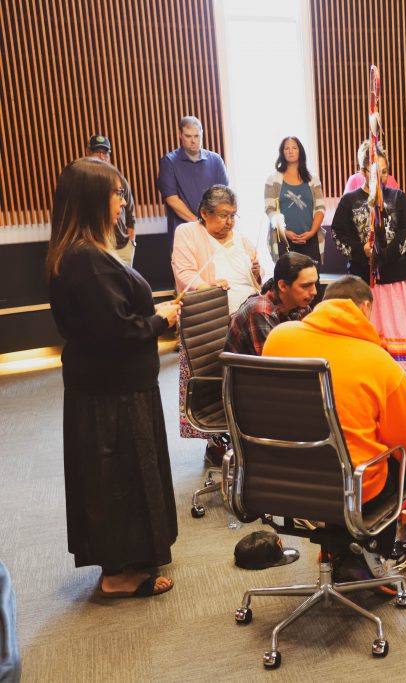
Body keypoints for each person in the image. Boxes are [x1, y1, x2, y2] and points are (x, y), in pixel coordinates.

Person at [47, 158, 180, 598]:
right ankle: (119, 575)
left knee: (122, 475)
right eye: (116, 192)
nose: (123, 200)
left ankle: (131, 560)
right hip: (111, 391)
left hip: (112, 385)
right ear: (91, 199)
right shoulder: (85, 259)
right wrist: (160, 319)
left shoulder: (85, 251)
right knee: (118, 477)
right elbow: (117, 330)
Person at [262, 275, 406, 569]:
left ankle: (336, 544)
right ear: (366, 307)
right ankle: (369, 560)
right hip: (352, 489)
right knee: (399, 455)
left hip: (280, 479)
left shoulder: (279, 337)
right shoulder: (379, 362)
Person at [171, 185, 262, 464]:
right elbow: (184, 272)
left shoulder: (242, 239)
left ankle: (249, 440)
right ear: (204, 213)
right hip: (209, 322)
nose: (229, 222)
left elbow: (255, 278)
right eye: (223, 215)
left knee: (247, 384)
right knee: (213, 384)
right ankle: (216, 445)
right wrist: (209, 286)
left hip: (244, 321)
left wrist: (258, 272)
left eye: (233, 215)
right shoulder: (188, 233)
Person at [333, 143, 406, 375]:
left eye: (384, 171)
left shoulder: (399, 197)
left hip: (396, 279)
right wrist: (361, 250)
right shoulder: (349, 200)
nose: (380, 177)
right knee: (369, 330)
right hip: (364, 280)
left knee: (397, 330)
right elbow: (339, 234)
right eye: (374, 171)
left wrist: (385, 254)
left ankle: (400, 380)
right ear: (362, 171)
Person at [224, 251, 318, 357]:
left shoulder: (301, 306)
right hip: (250, 372)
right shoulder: (260, 311)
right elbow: (274, 365)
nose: (314, 292)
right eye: (306, 286)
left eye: (315, 284)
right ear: (282, 286)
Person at [264, 136, 326, 282]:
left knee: (311, 282)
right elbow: (270, 209)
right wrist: (285, 232)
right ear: (282, 152)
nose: (290, 151)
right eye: (287, 148)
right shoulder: (273, 180)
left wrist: (311, 232)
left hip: (310, 240)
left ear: (300, 151)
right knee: (287, 283)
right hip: (284, 240)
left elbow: (320, 208)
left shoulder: (313, 179)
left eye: (294, 147)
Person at [157, 116, 229, 236]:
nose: (193, 141)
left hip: (213, 230)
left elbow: (223, 196)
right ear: (180, 134)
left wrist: (213, 223)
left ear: (202, 134)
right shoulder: (169, 161)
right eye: (188, 136)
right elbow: (172, 199)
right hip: (184, 232)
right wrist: (200, 223)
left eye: (197, 136)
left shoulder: (216, 160)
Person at [85, 134, 136, 267]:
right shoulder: (81, 182)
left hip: (122, 247)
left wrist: (131, 242)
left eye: (105, 153)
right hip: (96, 249)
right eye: (98, 152)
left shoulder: (120, 180)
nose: (102, 157)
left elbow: (130, 212)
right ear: (88, 152)